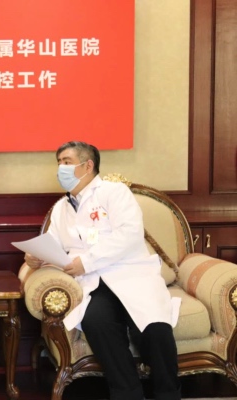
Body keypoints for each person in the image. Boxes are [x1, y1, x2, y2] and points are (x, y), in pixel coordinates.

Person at [25, 141, 181, 400]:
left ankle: (168, 394)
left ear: (88, 166)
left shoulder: (114, 192)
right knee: (96, 323)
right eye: (59, 163)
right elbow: (53, 244)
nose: (60, 168)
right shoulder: (62, 207)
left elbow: (129, 234)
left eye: (66, 162)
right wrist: (36, 257)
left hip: (132, 275)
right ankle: (128, 394)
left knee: (154, 328)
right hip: (94, 283)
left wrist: (86, 262)